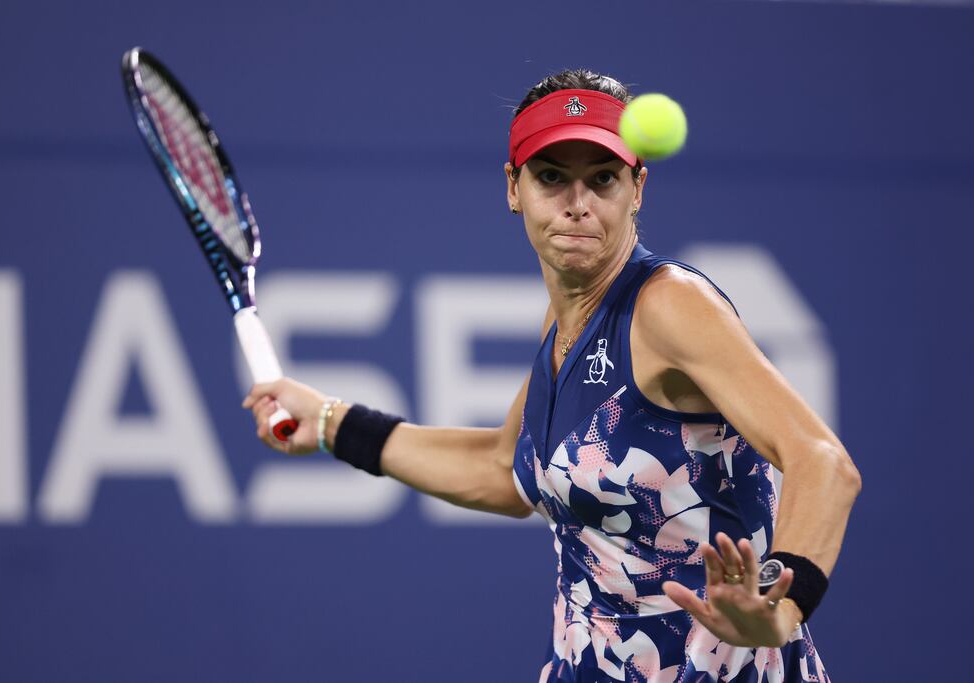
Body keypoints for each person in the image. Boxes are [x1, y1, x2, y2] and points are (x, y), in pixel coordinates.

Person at [243, 69, 861, 682]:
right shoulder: (566, 319)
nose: (577, 203)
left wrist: (779, 604)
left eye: (603, 179)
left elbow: (822, 461)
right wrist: (330, 422)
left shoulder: (668, 305)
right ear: (513, 188)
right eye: (551, 177)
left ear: (636, 188)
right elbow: (501, 469)